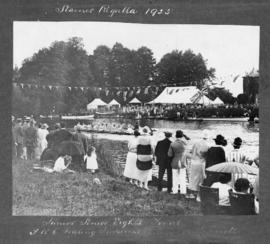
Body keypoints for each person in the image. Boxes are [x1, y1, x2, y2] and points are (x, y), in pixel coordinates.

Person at [187, 130, 209, 201]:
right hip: (201, 163)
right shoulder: (207, 145)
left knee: (193, 178)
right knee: (201, 179)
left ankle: (192, 193)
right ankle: (198, 195)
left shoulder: (196, 143)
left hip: (194, 162)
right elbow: (205, 156)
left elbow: (192, 153)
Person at [168, 130, 189, 194]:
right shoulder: (185, 143)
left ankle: (175, 191)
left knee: (175, 177)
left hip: (175, 161)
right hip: (183, 162)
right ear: (182, 136)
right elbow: (188, 140)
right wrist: (185, 136)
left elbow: (170, 154)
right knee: (183, 177)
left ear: (176, 136)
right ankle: (183, 191)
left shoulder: (172, 144)